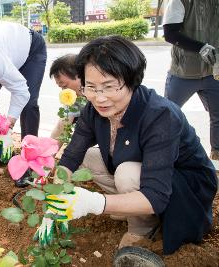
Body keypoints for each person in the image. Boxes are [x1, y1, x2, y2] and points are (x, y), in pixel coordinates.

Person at [34, 36, 217, 256]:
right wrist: (55, 201)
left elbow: (155, 196)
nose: (99, 98)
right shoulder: (93, 110)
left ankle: (142, 228)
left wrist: (95, 202)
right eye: (91, 87)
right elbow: (72, 155)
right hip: (143, 171)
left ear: (132, 81)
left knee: (127, 173)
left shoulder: (160, 115)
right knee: (88, 157)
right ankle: (126, 204)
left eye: (109, 86)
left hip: (185, 186)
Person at [163, 0, 219, 160]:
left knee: (218, 117)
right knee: (166, 115)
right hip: (183, 72)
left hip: (213, 72)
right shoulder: (181, 2)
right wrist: (200, 47)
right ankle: (164, 156)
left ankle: (216, 159)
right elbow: (170, 33)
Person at [49, 54, 85, 142]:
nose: (64, 91)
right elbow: (61, 128)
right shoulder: (75, 99)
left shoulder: (100, 95)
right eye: (61, 88)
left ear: (81, 75)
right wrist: (47, 152)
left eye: (65, 86)